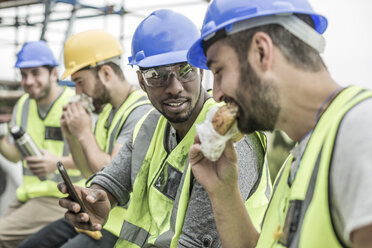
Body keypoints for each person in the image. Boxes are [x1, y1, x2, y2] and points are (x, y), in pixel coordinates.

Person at [58, 9, 271, 248]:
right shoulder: (149, 127)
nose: (174, 87)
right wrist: (99, 197)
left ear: (200, 70)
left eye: (184, 70)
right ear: (141, 82)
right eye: (156, 75)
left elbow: (195, 243)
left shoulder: (228, 138)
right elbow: (110, 182)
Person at [187, 0, 372, 247]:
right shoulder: (299, 157)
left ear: (262, 51)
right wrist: (223, 191)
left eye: (219, 71)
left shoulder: (360, 132)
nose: (217, 93)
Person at [18, 30, 152, 248]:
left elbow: (112, 178)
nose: (78, 91)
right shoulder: (109, 111)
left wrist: (84, 133)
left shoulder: (140, 112)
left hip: (119, 226)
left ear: (106, 73)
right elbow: (88, 172)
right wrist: (71, 134)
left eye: (80, 82)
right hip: (93, 216)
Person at [0, 40, 85, 248]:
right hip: (28, 195)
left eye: (35, 73)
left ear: (53, 74)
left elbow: (99, 159)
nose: (28, 81)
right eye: (24, 74)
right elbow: (15, 156)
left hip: (62, 196)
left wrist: (56, 162)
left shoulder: (75, 104)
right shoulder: (22, 106)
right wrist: (1, 139)